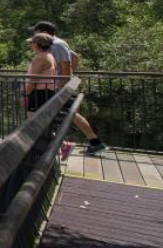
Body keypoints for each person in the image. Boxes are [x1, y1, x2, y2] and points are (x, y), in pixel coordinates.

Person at [32, 21, 107, 155]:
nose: (33, 35)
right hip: (58, 84)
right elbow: (75, 57)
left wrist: (62, 84)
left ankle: (87, 143)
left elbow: (66, 64)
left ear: (44, 32)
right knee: (70, 114)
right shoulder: (55, 43)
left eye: (35, 32)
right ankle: (94, 142)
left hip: (59, 86)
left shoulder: (57, 44)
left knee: (68, 114)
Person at [23, 34, 57, 116]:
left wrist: (24, 95)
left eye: (32, 42)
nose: (31, 45)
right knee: (41, 122)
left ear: (37, 44)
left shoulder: (40, 58)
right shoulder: (49, 56)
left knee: (31, 123)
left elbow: (33, 80)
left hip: (39, 94)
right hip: (46, 92)